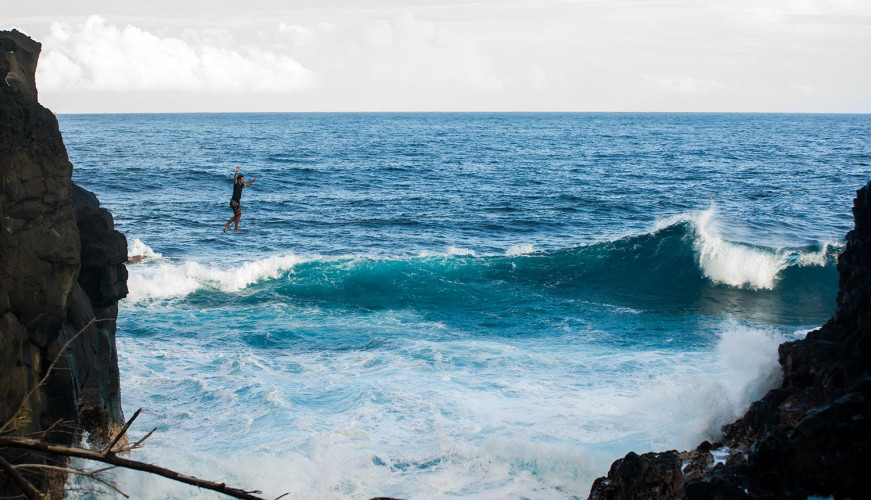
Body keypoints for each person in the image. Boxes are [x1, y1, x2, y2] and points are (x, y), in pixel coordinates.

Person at [224, 166, 257, 232]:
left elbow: (246, 184)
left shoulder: (241, 185)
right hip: (234, 202)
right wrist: (236, 172)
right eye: (241, 179)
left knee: (238, 214)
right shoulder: (236, 184)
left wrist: (252, 181)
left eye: (243, 179)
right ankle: (228, 224)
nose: (243, 180)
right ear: (239, 180)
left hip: (237, 202)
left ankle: (235, 227)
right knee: (237, 215)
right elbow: (235, 178)